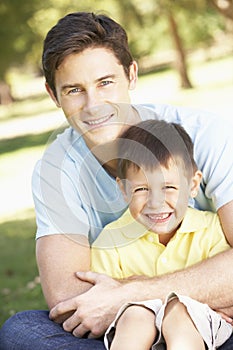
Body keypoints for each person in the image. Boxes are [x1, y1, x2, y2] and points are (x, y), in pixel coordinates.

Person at [0, 11, 233, 350]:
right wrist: (208, 288)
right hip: (124, 331)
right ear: (53, 95)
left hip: (210, 324)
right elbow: (69, 300)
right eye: (74, 90)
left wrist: (133, 293)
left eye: (105, 82)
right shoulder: (57, 170)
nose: (93, 106)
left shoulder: (206, 135)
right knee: (22, 332)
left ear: (131, 75)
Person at [91, 119, 232, 350]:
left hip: (194, 325)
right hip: (135, 326)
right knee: (136, 314)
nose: (156, 203)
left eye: (169, 187)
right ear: (124, 189)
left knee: (179, 311)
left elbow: (225, 294)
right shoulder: (110, 242)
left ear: (193, 185)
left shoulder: (211, 230)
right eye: (141, 189)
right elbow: (103, 303)